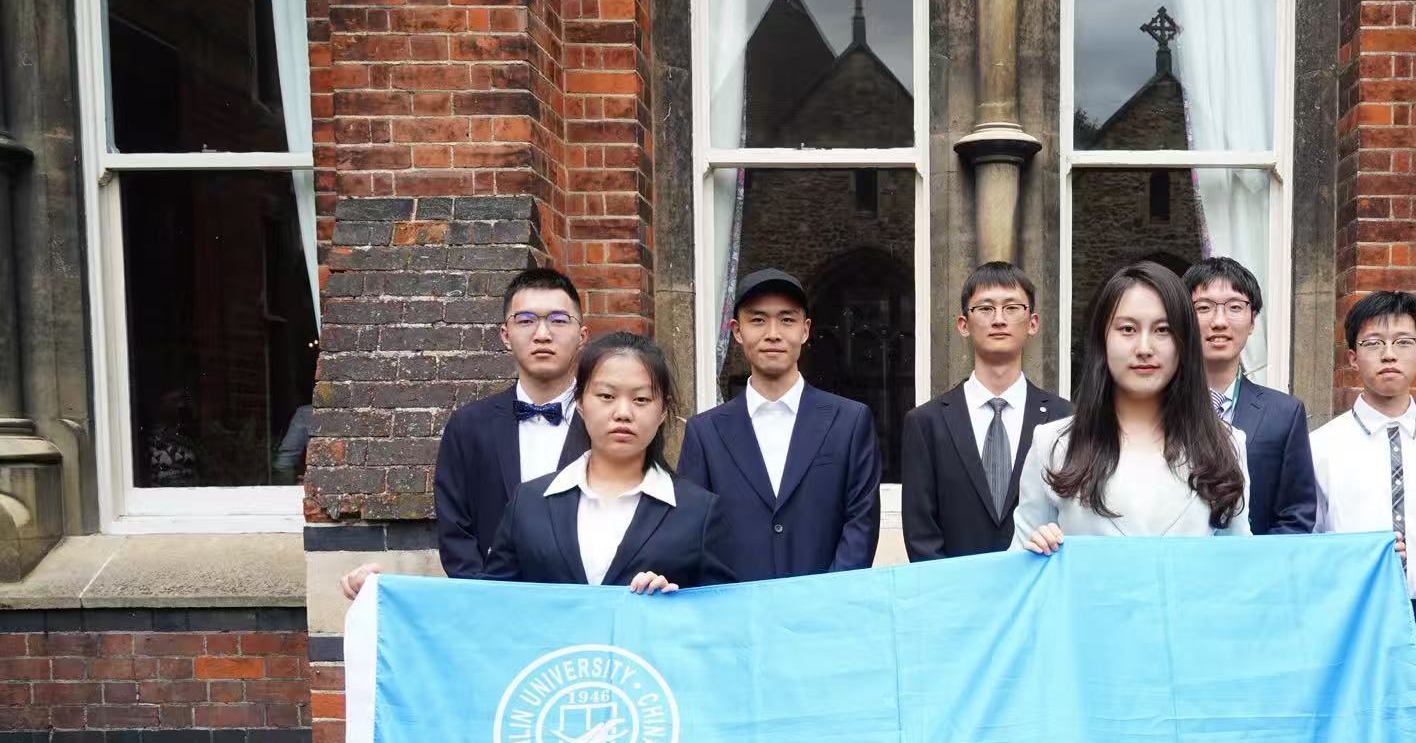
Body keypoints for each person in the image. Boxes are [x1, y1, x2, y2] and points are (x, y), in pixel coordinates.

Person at [340, 332, 731, 597]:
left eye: (642, 399)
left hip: (651, 691)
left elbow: (726, 621)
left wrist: (677, 601)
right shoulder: (529, 502)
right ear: (581, 404)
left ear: (662, 412)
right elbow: (487, 605)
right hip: (549, 691)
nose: (623, 413)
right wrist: (391, 592)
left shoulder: (698, 511)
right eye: (606, 396)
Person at [1310, 291, 1416, 743]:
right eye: (1373, 343)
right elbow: (1314, 536)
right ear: (1352, 357)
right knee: (1349, 736)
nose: (1389, 354)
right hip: (1350, 615)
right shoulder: (1321, 447)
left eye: (1403, 342)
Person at [1012, 261, 1248, 551]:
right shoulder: (1053, 445)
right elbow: (1020, 565)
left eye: (1163, 330)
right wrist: (1034, 549)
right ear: (1103, 339)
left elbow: (1239, 564)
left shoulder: (1226, 445)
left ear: (1183, 342)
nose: (1144, 348)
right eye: (1127, 329)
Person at [677, 269, 881, 581]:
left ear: (805, 329)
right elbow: (693, 534)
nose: (773, 333)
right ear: (737, 331)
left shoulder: (850, 421)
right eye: (758, 320)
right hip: (735, 607)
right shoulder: (704, 434)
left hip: (827, 605)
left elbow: (861, 525)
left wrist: (828, 599)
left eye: (787, 320)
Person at [900, 262, 1070, 560]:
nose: (999, 319)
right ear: (963, 325)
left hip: (1038, 583)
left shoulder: (1065, 419)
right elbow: (921, 535)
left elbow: (1073, 517)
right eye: (985, 308)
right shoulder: (926, 423)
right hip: (954, 586)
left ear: (1033, 323)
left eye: (1012, 308)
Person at [431, 267, 591, 577]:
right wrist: (486, 596)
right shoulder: (468, 426)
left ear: (582, 335)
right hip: (492, 597)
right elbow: (455, 531)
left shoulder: (608, 423)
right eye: (526, 320)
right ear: (506, 335)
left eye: (558, 320)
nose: (542, 334)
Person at [1183, 257, 1317, 534]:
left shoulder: (1284, 414)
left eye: (1235, 307)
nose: (1219, 321)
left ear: (1253, 320)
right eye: (1204, 308)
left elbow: (1295, 519)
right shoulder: (1157, 408)